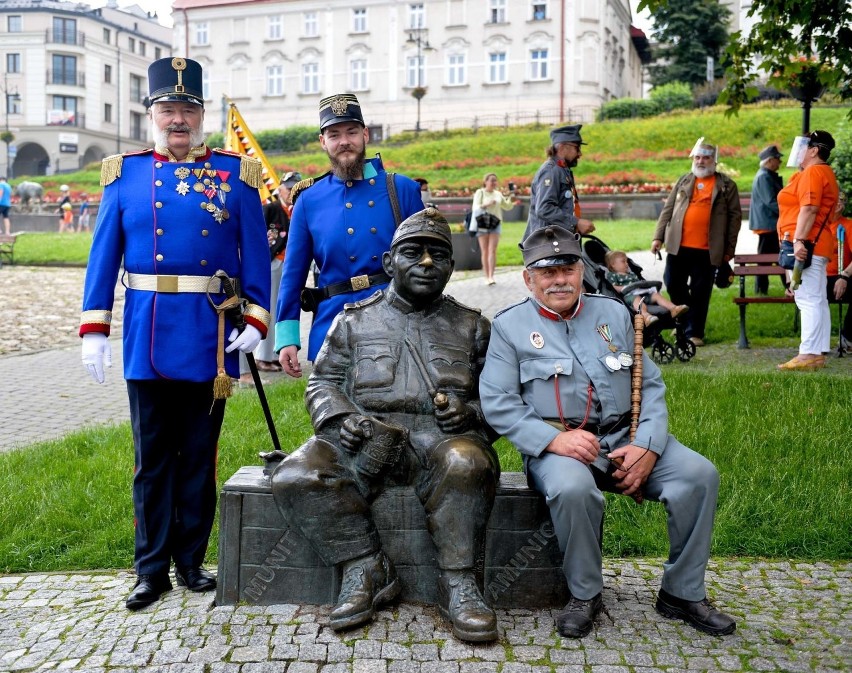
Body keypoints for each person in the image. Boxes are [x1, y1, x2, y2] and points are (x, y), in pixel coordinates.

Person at [79, 56, 271, 610]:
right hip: (146, 332)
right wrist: (95, 328)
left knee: (199, 456)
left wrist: (256, 320)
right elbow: (102, 258)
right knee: (151, 458)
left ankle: (190, 561)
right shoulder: (127, 174)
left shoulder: (236, 177)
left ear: (201, 113)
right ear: (152, 114)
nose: (178, 119)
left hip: (210, 337)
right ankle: (150, 568)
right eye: (168, 108)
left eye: (187, 108)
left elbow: (254, 259)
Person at [479, 225, 736, 639]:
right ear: (529, 278)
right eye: (547, 272)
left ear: (582, 271)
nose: (560, 279)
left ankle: (681, 592)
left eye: (568, 268)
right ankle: (586, 594)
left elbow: (649, 385)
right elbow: (498, 402)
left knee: (698, 475)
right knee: (573, 490)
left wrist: (647, 446)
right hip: (558, 448)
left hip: (628, 438)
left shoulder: (613, 313)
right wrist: (554, 440)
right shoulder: (510, 327)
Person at [268, 208, 499, 642]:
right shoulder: (353, 320)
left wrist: (473, 415)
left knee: (467, 464)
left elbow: (502, 398)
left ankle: (458, 582)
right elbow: (323, 383)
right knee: (297, 473)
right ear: (390, 262)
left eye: (440, 255)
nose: (427, 263)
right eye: (414, 252)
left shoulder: (473, 326)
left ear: (452, 266)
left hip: (443, 441)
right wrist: (342, 419)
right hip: (363, 439)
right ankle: (365, 566)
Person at [274, 93, 423, 377]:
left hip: (395, 319)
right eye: (334, 134)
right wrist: (287, 337)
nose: (344, 141)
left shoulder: (402, 190)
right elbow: (293, 274)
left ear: (365, 135)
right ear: (323, 141)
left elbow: (427, 263)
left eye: (352, 132)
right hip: (333, 322)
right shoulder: (309, 199)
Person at [651, 139, 741, 347]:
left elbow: (735, 219)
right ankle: (682, 321)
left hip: (708, 250)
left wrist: (729, 251)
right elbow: (668, 210)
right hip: (678, 246)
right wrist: (658, 237)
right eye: (697, 157)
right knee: (672, 283)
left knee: (701, 291)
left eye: (706, 157)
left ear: (714, 160)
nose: (701, 161)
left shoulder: (727, 185)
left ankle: (694, 332)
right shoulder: (684, 180)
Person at [776, 130, 839, 370]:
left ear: (814, 150)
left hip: (806, 243)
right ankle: (817, 351)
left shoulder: (813, 172)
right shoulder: (818, 172)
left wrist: (799, 240)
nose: (798, 150)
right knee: (817, 299)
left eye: (803, 146)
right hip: (814, 243)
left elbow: (810, 208)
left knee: (808, 299)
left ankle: (809, 353)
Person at [256, 171, 301, 374]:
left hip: (292, 265)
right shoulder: (271, 209)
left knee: (285, 310)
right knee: (271, 309)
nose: (292, 191)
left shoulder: (299, 208)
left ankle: (276, 354)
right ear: (280, 189)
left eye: (295, 188)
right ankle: (264, 357)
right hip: (273, 263)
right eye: (289, 188)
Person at [524, 124, 596, 240]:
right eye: (577, 147)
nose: (580, 154)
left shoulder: (561, 170)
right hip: (548, 244)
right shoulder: (551, 171)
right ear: (562, 147)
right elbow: (544, 209)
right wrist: (576, 222)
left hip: (559, 242)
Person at [604, 249, 688, 326]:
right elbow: (613, 287)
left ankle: (673, 308)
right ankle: (645, 316)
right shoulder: (612, 275)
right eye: (623, 261)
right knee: (637, 300)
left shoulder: (631, 274)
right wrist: (623, 288)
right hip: (629, 295)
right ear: (613, 265)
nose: (627, 264)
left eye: (627, 261)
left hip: (642, 292)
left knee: (656, 295)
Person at [749, 145, 785, 294]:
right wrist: (787, 212)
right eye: (777, 159)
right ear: (769, 161)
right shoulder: (764, 177)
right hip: (768, 225)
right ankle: (761, 289)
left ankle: (765, 289)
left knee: (774, 257)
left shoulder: (765, 175)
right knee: (767, 258)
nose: (779, 162)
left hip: (768, 224)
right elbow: (771, 201)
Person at [471, 173, 515, 285]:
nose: (494, 183)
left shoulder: (498, 194)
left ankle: (491, 276)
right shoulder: (480, 192)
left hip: (495, 223)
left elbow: (507, 206)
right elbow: (475, 207)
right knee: (485, 250)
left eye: (495, 180)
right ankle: (486, 276)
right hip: (482, 223)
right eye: (492, 180)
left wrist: (511, 195)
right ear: (485, 181)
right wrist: (487, 204)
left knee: (492, 250)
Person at [827, 191, 852, 353]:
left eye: (842, 201)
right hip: (820, 278)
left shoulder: (848, 226)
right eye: (836, 200)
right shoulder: (818, 225)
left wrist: (844, 275)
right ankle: (816, 344)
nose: (840, 204)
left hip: (844, 275)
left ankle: (848, 337)